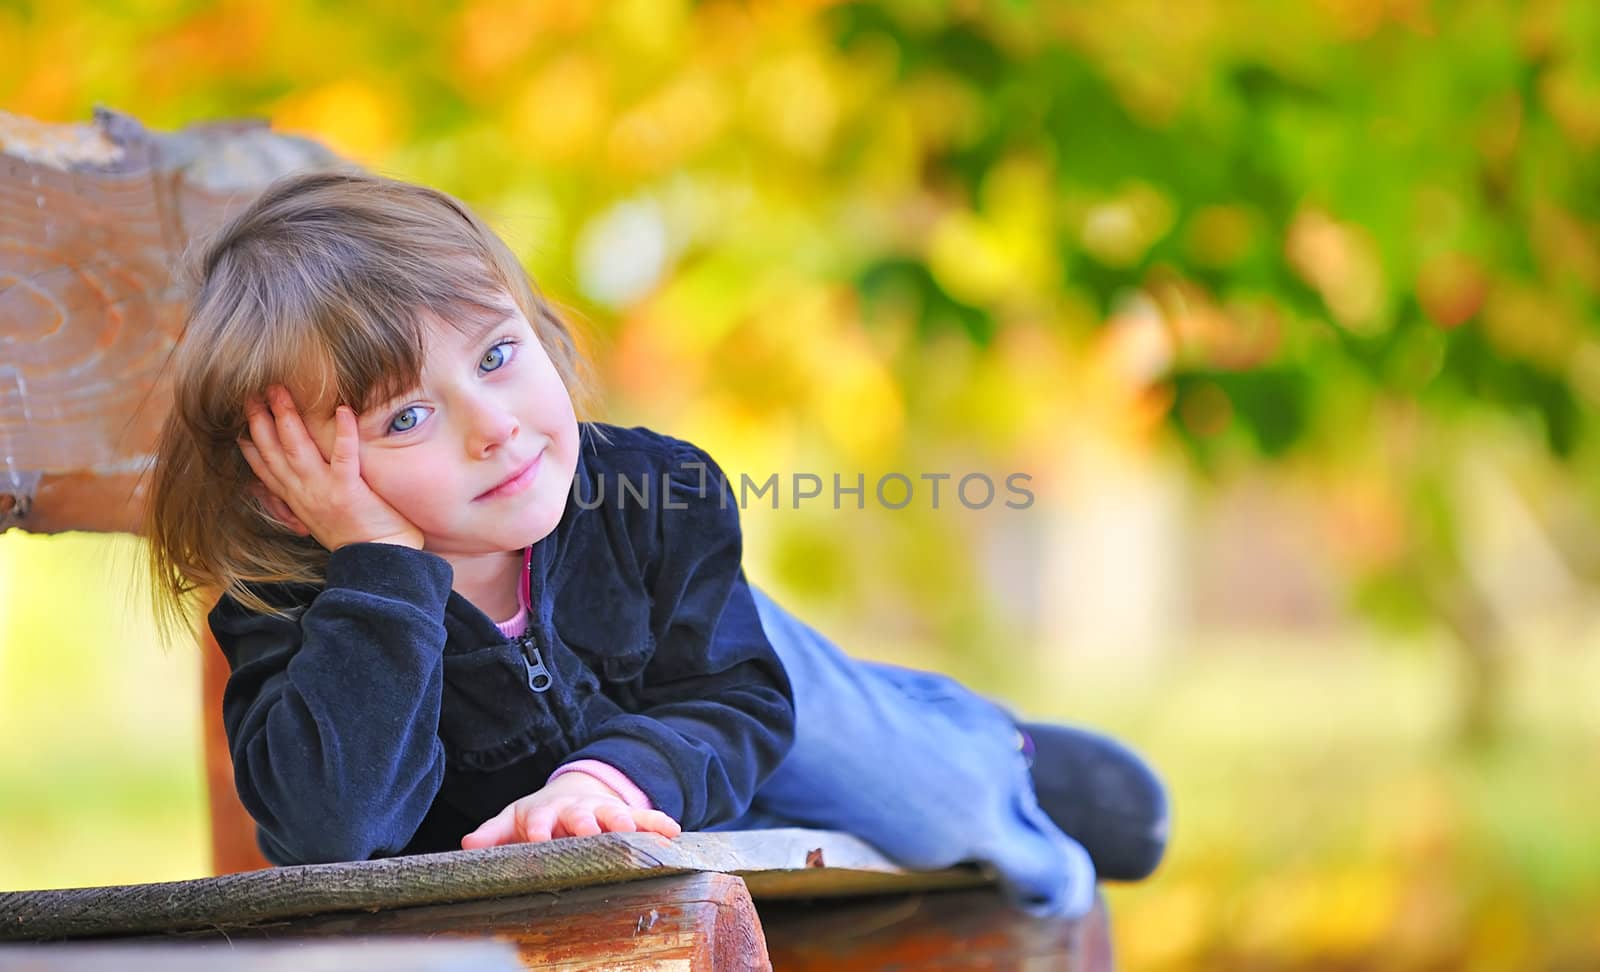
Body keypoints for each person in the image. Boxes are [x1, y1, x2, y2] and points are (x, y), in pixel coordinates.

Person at [144, 170, 1168, 919]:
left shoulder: (650, 493)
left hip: (706, 709)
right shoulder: (297, 609)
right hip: (652, 786)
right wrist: (379, 573)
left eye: (499, 355)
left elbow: (732, 698)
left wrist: (612, 778)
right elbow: (327, 836)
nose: (493, 424)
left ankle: (1008, 758)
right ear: (291, 494)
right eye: (404, 418)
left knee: (930, 800)